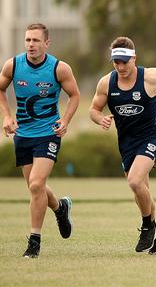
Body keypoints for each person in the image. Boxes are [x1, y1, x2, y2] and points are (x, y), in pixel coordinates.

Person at [89, 36, 156, 255]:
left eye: (125, 61)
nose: (121, 66)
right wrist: (101, 119)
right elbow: (94, 109)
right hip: (126, 142)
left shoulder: (150, 76)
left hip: (152, 136)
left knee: (134, 181)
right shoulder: (106, 83)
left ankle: (146, 227)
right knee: (142, 192)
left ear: (134, 58)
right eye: (116, 61)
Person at [0, 23, 80, 258]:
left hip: (48, 133)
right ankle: (60, 208)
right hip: (23, 134)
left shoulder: (59, 68)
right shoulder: (13, 65)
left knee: (36, 184)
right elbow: (1, 89)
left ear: (47, 43)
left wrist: (65, 120)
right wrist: (6, 115)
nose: (31, 45)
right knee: (37, 188)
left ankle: (34, 242)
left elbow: (75, 95)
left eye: (36, 40)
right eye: (27, 40)